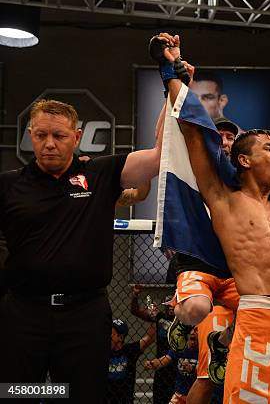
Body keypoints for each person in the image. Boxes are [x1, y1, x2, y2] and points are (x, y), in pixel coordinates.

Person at [155, 32, 270, 403]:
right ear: (244, 160)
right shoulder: (224, 199)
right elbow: (193, 132)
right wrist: (170, 69)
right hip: (259, 314)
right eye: (269, 149)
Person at [0, 97, 165, 403]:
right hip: (23, 314)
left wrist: (173, 87)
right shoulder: (8, 186)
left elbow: (159, 156)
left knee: (83, 397)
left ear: (76, 137)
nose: (49, 143)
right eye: (41, 135)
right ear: (30, 135)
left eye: (59, 136)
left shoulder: (99, 174)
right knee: (16, 395)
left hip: (84, 315)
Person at [130, 285, 177, 404]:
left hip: (177, 368)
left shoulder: (183, 320)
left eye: (173, 303)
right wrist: (135, 296)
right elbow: (135, 311)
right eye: (168, 304)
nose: (171, 306)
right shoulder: (160, 318)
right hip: (160, 368)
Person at [144, 329, 199, 404]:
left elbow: (207, 372)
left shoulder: (203, 351)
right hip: (180, 394)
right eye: (192, 339)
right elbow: (165, 359)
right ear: (187, 337)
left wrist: (193, 369)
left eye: (197, 340)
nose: (193, 343)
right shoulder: (181, 348)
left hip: (197, 395)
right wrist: (152, 363)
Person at [108, 319, 156, 404]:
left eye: (111, 333)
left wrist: (152, 319)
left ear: (120, 337)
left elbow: (150, 338)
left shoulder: (129, 350)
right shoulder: (102, 352)